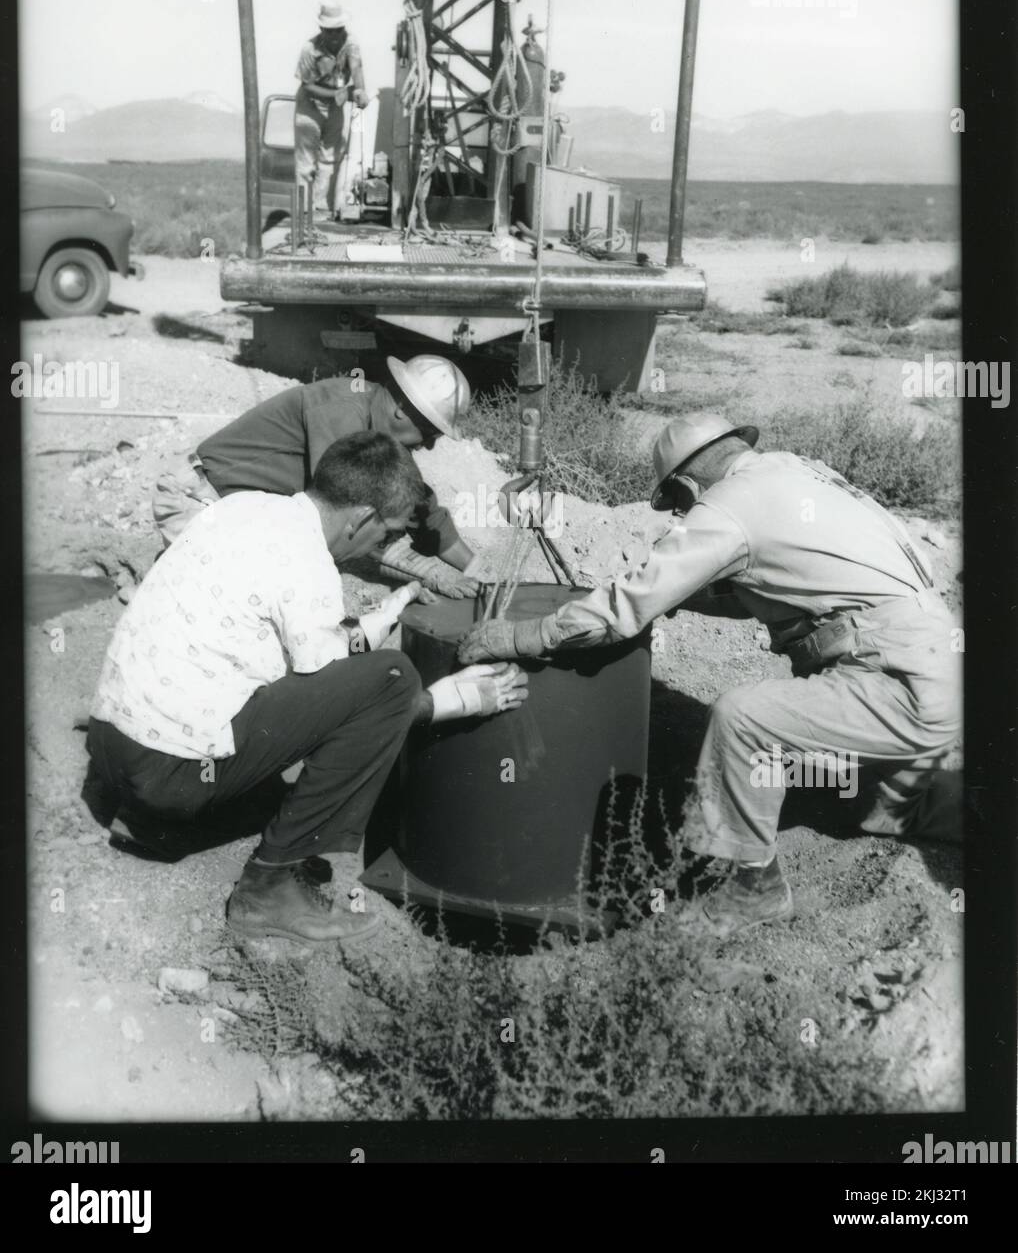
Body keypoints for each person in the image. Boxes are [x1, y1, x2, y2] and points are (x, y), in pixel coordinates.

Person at [458, 411, 962, 939]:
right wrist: (680, 595)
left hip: (899, 682)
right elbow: (771, 583)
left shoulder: (728, 507)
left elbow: (624, 607)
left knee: (744, 719)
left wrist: (522, 636)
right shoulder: (793, 472)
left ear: (686, 483)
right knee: (891, 812)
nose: (682, 514)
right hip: (939, 662)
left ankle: (755, 890)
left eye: (677, 504)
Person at [90, 432, 527, 946]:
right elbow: (347, 695)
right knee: (392, 679)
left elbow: (321, 660)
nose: (381, 548)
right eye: (385, 535)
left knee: (311, 704)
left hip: (114, 747)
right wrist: (449, 701)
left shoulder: (245, 508)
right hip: (166, 774)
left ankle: (143, 817)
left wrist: (397, 603)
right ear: (360, 518)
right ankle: (268, 888)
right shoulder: (309, 563)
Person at [152, 355, 482, 597]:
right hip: (200, 499)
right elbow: (343, 511)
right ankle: (161, 584)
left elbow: (419, 507)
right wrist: (427, 572)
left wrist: (477, 571)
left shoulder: (381, 428)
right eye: (428, 433)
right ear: (402, 411)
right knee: (247, 605)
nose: (426, 445)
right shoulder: (341, 412)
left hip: (247, 509)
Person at [295, 1, 369, 216]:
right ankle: (303, 212)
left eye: (340, 30)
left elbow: (356, 67)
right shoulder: (309, 49)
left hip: (335, 107)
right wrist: (340, 95)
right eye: (331, 31)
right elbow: (307, 86)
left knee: (329, 158)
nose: (336, 35)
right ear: (322, 30)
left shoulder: (351, 44)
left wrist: (360, 90)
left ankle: (319, 207)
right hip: (309, 107)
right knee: (306, 162)